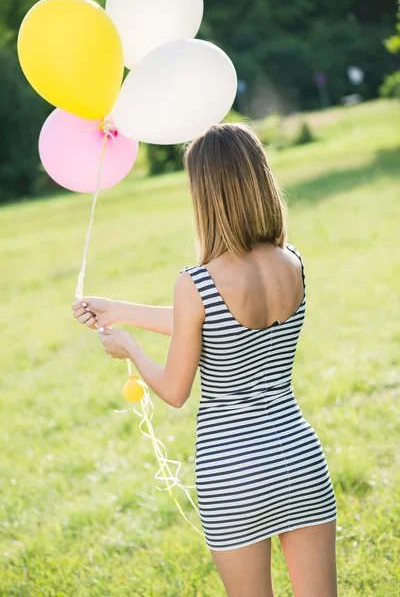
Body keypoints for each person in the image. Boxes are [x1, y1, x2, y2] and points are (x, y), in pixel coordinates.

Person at [71, 123, 338, 597]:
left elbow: (175, 391)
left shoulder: (195, 282)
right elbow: (217, 325)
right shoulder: (291, 261)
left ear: (206, 193)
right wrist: (123, 309)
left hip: (233, 473)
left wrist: (129, 345)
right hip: (298, 456)